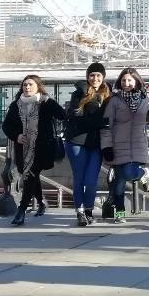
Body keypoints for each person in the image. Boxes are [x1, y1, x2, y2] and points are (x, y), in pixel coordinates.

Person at [2, 74, 66, 227]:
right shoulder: (15, 105)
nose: (27, 87)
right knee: (31, 176)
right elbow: (6, 126)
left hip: (42, 148)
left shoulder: (45, 103)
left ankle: (21, 210)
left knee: (31, 175)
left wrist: (50, 101)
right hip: (22, 149)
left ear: (38, 87)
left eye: (30, 85)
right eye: (25, 85)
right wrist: (16, 135)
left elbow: (62, 115)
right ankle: (41, 202)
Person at [101, 67, 149, 223]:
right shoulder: (114, 100)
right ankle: (119, 215)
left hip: (138, 144)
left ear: (136, 81)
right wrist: (107, 146)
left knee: (129, 174)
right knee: (119, 184)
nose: (126, 83)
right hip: (118, 145)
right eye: (123, 80)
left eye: (129, 80)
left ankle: (142, 174)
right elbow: (106, 125)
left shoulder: (145, 98)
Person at [65, 61, 110, 226]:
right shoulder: (79, 93)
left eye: (98, 75)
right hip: (77, 142)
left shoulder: (108, 93)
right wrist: (101, 121)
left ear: (103, 77)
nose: (95, 78)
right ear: (87, 76)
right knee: (79, 179)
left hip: (96, 143)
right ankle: (80, 212)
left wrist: (98, 121)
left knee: (91, 181)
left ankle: (89, 209)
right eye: (92, 75)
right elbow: (78, 118)